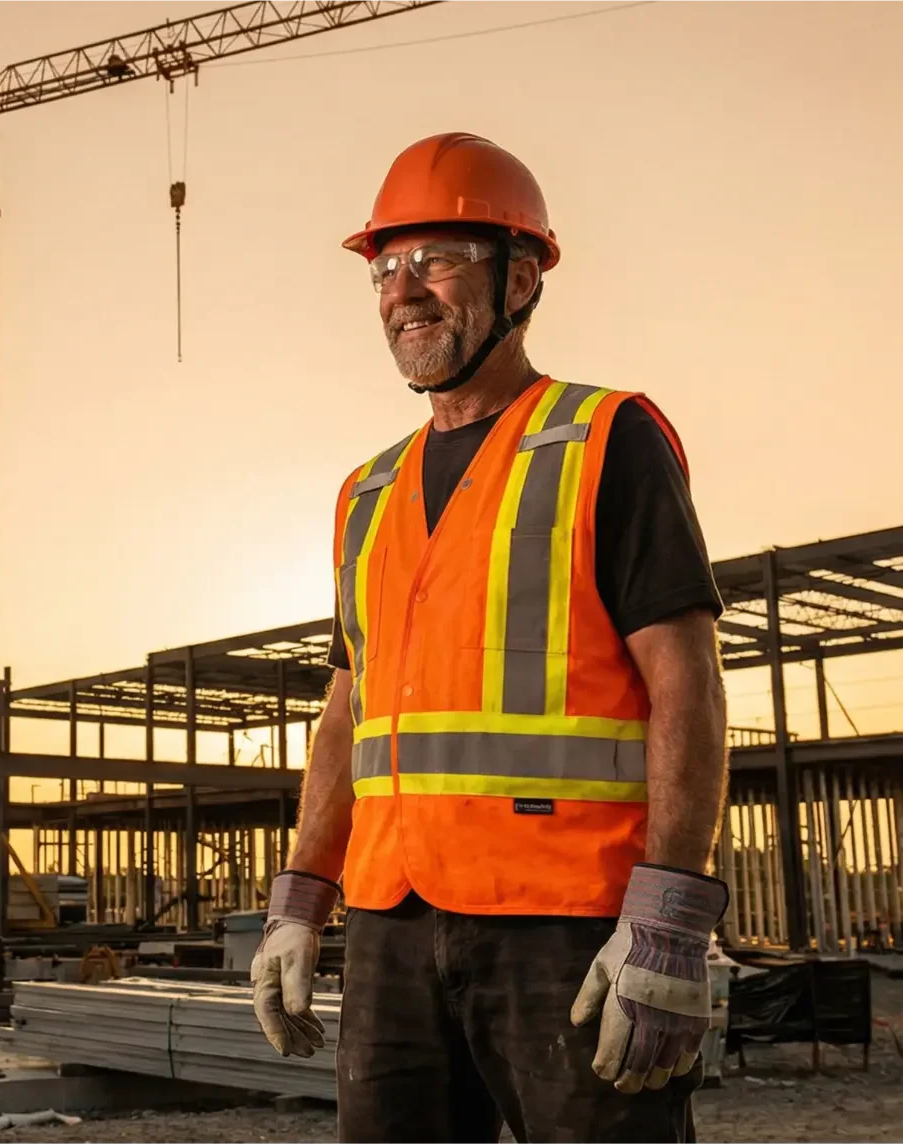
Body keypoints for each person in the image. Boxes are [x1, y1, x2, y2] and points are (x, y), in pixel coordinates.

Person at [250, 133, 731, 1143]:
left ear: (519, 279)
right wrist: (300, 896)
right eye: (385, 268)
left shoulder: (606, 439)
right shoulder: (364, 492)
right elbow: (347, 710)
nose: (403, 290)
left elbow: (683, 683)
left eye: (436, 259)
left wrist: (668, 920)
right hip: (388, 922)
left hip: (565, 920)